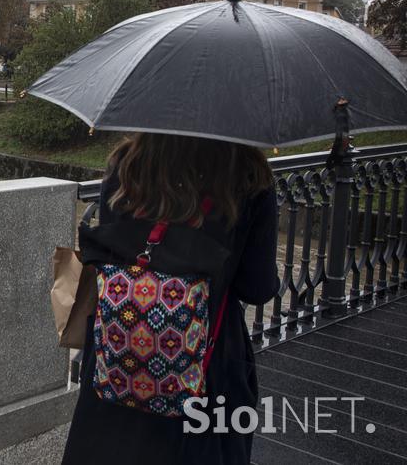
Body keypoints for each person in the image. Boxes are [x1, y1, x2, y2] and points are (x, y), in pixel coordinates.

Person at [61, 133, 279, 465]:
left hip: (120, 351)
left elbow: (112, 254)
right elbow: (257, 287)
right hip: (208, 363)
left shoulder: (126, 164)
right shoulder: (248, 176)